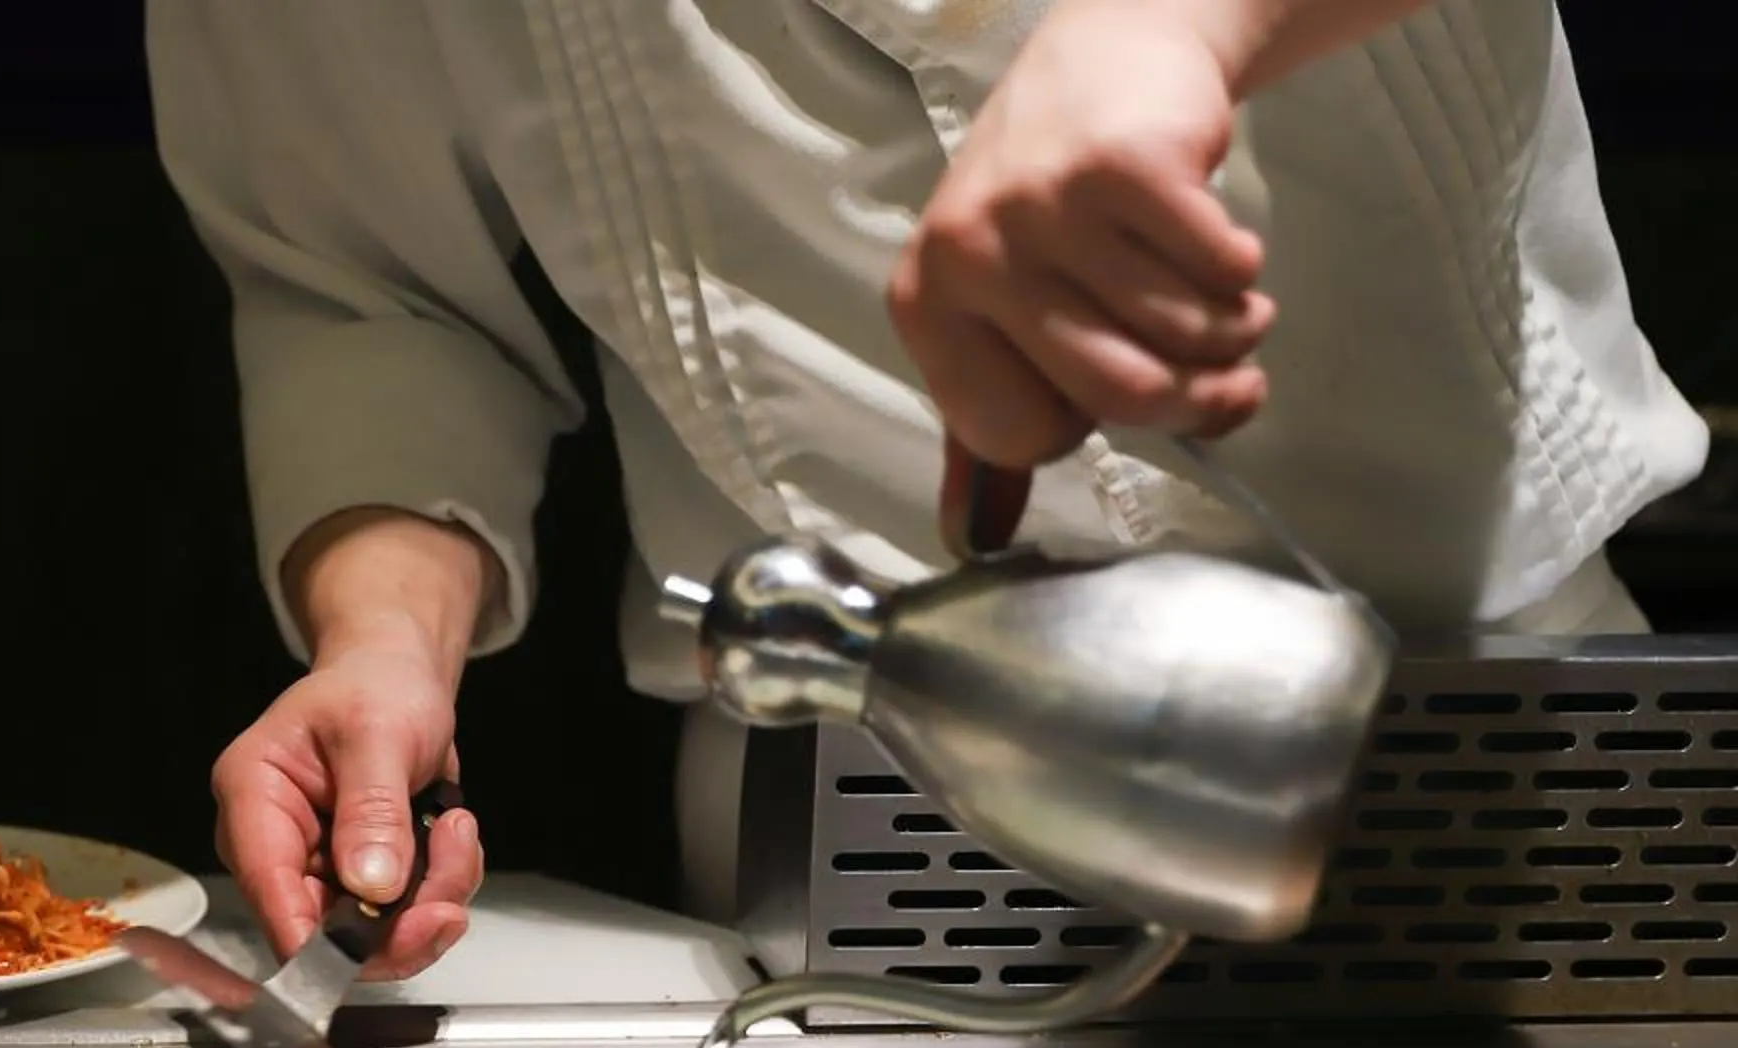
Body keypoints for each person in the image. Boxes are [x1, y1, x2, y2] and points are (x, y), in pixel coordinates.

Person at [148, 0, 1707, 976]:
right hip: (870, 818)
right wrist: (385, 643)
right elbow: (373, 292)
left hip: (1511, 757)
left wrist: (1173, 29)